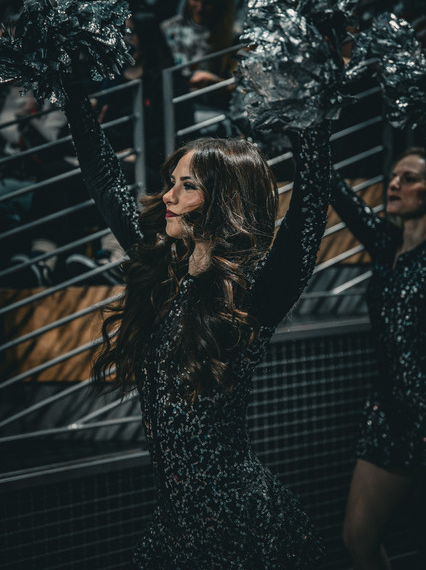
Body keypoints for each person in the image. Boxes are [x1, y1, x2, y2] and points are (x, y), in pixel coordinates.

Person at [57, 63, 332, 566]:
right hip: (174, 525)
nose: (168, 195)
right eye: (172, 182)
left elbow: (310, 207)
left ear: (223, 199)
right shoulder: (164, 270)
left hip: (240, 527)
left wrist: (308, 110)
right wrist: (70, 84)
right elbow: (104, 180)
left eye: (187, 186)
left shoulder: (254, 290)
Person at [330, 148, 426, 568]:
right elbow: (338, 193)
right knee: (357, 537)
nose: (394, 184)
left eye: (409, 178)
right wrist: (304, 134)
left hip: (423, 417)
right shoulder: (387, 243)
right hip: (387, 414)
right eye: (393, 176)